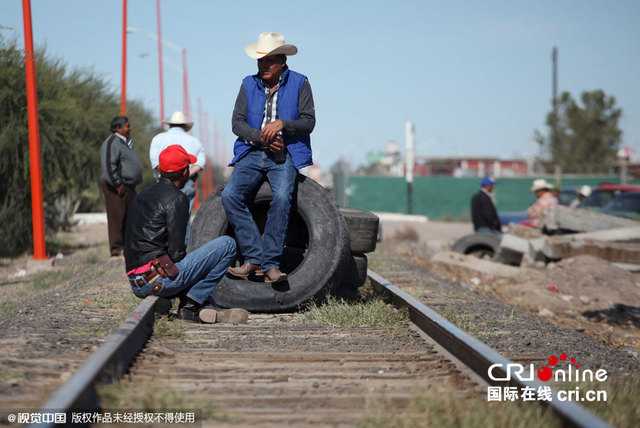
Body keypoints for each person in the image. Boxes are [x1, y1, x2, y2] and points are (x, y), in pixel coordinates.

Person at [221, 32, 315, 283]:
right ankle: (253, 257)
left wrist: (283, 124)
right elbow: (236, 123)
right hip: (251, 152)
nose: (262, 65)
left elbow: (308, 122)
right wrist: (261, 136)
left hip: (283, 155)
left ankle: (272, 264)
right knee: (230, 196)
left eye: (268, 61)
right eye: (260, 61)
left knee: (283, 199)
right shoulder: (247, 83)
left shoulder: (300, 82)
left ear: (282, 61)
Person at [124, 145, 237, 323]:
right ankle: (190, 304)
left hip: (136, 282)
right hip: (157, 281)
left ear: (160, 170)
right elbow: (176, 253)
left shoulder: (140, 196)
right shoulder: (178, 198)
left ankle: (199, 302)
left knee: (193, 263)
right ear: (185, 172)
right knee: (227, 245)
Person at [149, 111, 205, 243]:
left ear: (170, 125)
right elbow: (200, 163)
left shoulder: (158, 139)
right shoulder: (194, 141)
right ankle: (181, 251)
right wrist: (183, 175)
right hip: (186, 183)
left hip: (163, 184)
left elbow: (156, 163)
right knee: (183, 219)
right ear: (185, 126)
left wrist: (169, 176)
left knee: (162, 218)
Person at [100, 115, 142, 257]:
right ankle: (116, 249)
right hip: (117, 187)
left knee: (130, 216)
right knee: (117, 217)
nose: (130, 128)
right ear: (118, 128)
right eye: (127, 126)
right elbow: (108, 165)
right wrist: (117, 184)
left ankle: (128, 245)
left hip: (129, 186)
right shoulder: (112, 142)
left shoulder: (127, 142)